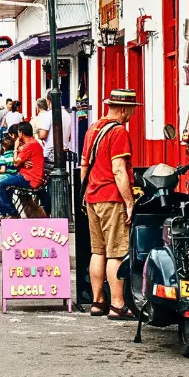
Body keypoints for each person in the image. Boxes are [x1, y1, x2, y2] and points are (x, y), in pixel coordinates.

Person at [80, 88, 140, 320]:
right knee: (116, 252)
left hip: (93, 197)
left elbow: (85, 166)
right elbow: (119, 170)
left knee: (98, 250)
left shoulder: (92, 129)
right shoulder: (119, 132)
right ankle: (117, 304)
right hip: (111, 197)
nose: (132, 115)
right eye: (132, 110)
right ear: (123, 109)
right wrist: (130, 202)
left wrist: (84, 195)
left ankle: (97, 302)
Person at [0, 122, 45, 221]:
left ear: (21, 133)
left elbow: (16, 162)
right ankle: (5, 212)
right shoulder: (31, 143)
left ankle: (13, 213)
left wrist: (15, 149)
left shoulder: (29, 145)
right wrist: (23, 162)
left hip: (29, 178)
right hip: (25, 175)